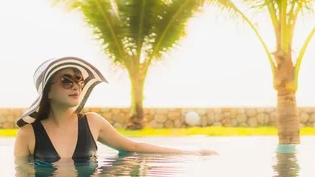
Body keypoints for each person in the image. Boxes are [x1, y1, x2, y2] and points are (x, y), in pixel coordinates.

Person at [14, 57, 217, 163]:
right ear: (47, 92)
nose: (76, 86)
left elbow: (133, 147)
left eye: (79, 80)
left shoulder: (92, 122)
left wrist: (191, 153)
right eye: (66, 81)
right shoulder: (27, 134)